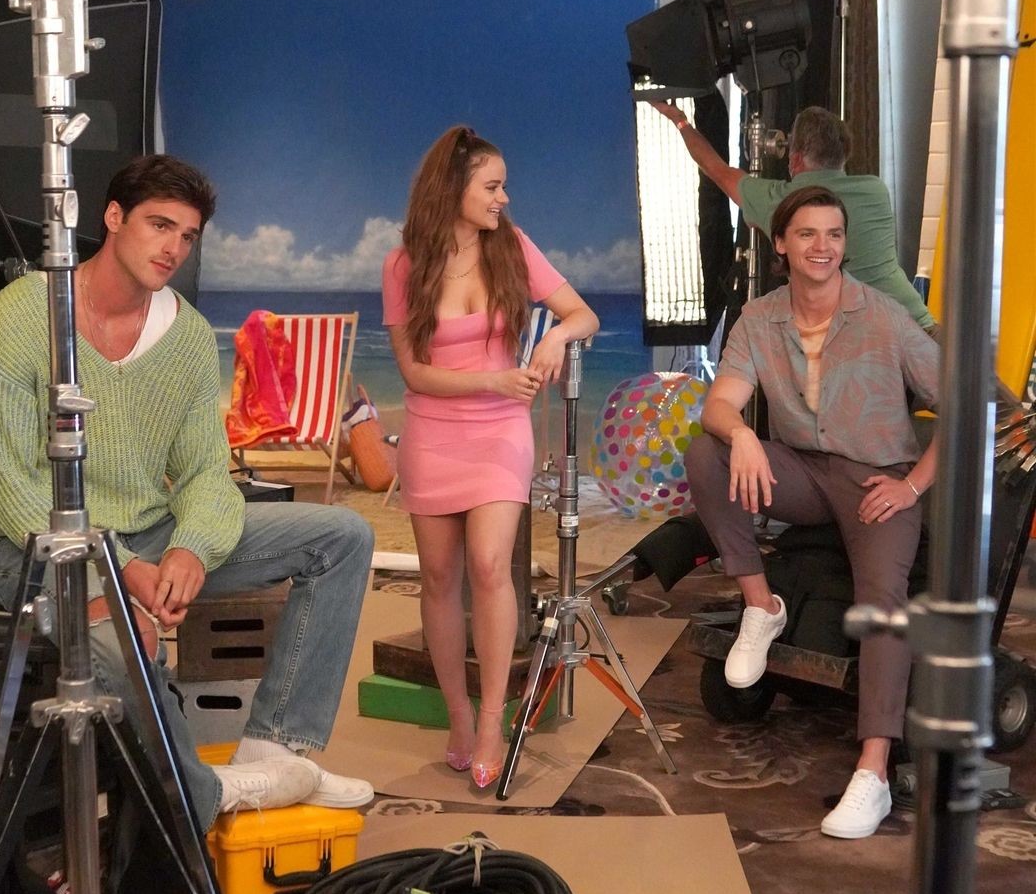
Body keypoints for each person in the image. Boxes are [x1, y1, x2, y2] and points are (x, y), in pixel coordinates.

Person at [0, 153, 375, 831]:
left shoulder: (184, 334)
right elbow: (12, 489)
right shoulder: (17, 319)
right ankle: (208, 793)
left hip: (152, 535)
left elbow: (205, 473)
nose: (174, 249)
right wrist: (123, 570)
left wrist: (190, 548)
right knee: (127, 646)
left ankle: (277, 750)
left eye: (187, 236)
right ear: (113, 217)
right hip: (42, 554)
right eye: (159, 225)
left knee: (343, 537)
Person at [685, 183, 940, 840]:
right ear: (781, 244)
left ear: (844, 244)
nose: (822, 246)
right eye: (807, 233)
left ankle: (873, 773)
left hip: (878, 482)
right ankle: (761, 606)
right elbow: (720, 404)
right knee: (707, 453)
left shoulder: (884, 317)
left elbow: (967, 408)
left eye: (833, 234)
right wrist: (743, 435)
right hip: (801, 471)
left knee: (882, 602)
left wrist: (913, 486)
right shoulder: (760, 317)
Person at [382, 125, 598, 790]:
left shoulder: (513, 246)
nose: (504, 198)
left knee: (488, 565)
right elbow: (414, 373)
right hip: (434, 433)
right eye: (493, 186)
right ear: (453, 188)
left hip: (501, 430)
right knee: (439, 578)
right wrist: (492, 379)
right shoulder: (404, 265)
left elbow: (582, 314)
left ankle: (491, 723)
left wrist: (555, 339)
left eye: (503, 187)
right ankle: (457, 714)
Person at [652, 100, 934, 330]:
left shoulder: (786, 202)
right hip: (922, 328)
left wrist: (680, 121)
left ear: (796, 158)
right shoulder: (875, 190)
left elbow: (716, 169)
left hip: (876, 351)